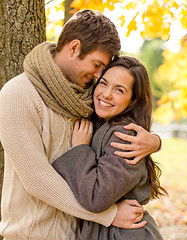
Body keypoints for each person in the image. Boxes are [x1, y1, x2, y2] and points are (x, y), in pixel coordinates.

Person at [0, 10, 160, 240]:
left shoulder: (88, 97)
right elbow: (36, 179)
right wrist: (108, 215)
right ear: (74, 48)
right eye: (97, 65)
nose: (98, 77)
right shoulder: (18, 94)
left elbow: (119, 127)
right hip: (32, 235)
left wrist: (154, 141)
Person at [52, 56, 167, 239]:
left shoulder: (125, 135)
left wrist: (81, 148)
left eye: (119, 90)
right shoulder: (102, 124)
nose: (106, 94)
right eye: (103, 83)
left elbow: (97, 198)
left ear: (132, 101)